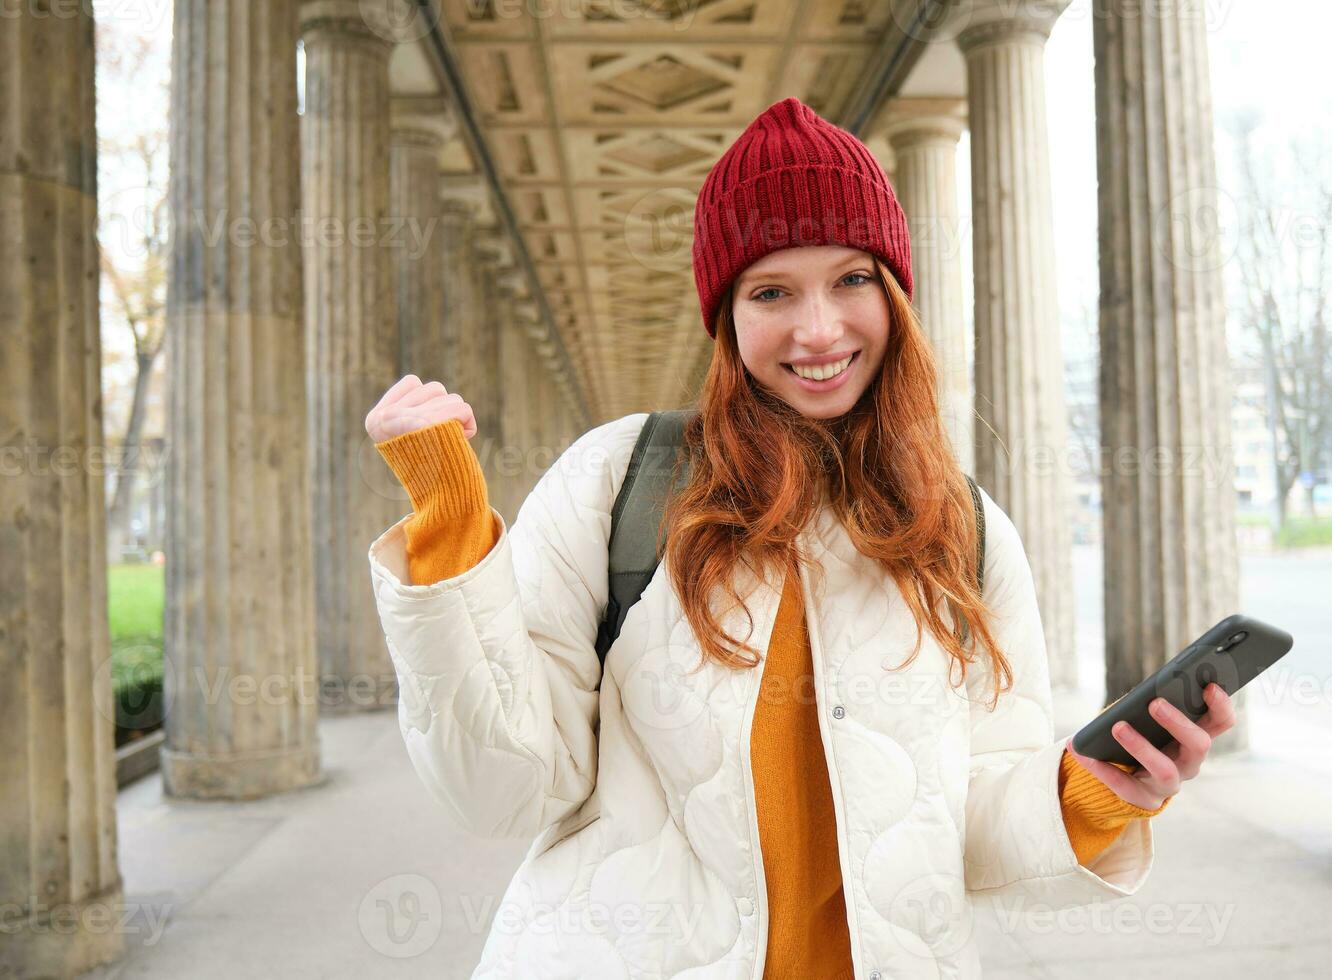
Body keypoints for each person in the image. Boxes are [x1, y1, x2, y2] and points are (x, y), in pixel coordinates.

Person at [363, 96, 1236, 980]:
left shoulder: (964, 529)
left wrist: (1091, 797)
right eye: (772, 291)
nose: (818, 330)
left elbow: (960, 825)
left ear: (894, 293)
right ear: (726, 317)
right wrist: (449, 535)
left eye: (852, 279)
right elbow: (502, 790)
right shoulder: (618, 480)